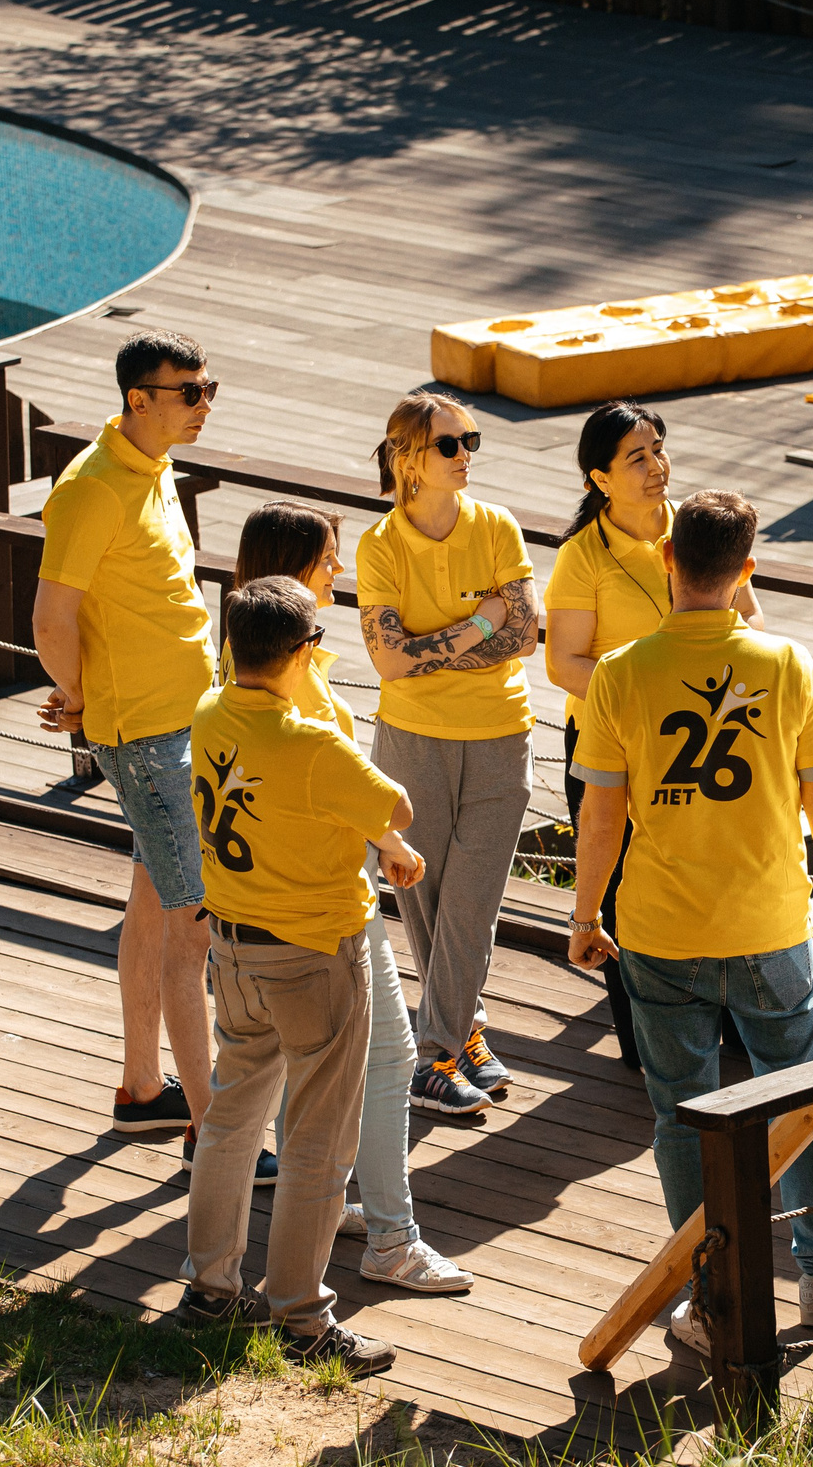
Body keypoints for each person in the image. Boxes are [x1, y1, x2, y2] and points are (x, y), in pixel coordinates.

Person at [565, 489, 813, 1355]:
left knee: (681, 1114)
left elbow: (602, 816)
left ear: (666, 559)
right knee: (803, 1094)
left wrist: (586, 911)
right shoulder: (785, 663)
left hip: (661, 929)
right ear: (748, 571)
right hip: (768, 920)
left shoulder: (621, 672)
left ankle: (713, 1297)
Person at [229, 502, 475, 1294]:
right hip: (323, 908)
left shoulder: (246, 668)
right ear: (298, 569)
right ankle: (392, 1240)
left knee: (294, 1080)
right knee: (390, 1058)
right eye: (330, 559)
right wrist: (393, 831)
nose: (342, 571)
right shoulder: (296, 686)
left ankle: (325, 1212)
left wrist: (387, 847)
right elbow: (346, 787)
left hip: (266, 908)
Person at [177, 575, 420, 1373]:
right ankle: (302, 1318)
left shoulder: (212, 714)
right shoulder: (312, 743)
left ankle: (209, 1289)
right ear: (307, 651)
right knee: (318, 1140)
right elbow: (397, 806)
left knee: (234, 1119)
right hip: (314, 955)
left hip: (236, 951)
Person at [36, 328, 251, 1176]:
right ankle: (211, 1126)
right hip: (150, 737)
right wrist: (86, 700)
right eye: (190, 391)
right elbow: (51, 620)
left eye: (209, 387)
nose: (205, 404)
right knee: (195, 925)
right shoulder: (91, 491)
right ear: (140, 399)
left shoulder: (151, 471)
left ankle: (141, 1089)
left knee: (154, 906)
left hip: (180, 724)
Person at [543, 402, 763, 1073]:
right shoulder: (584, 556)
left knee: (705, 884)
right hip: (614, 750)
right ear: (598, 478)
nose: (656, 466)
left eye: (659, 450)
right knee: (621, 898)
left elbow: (749, 617)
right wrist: (648, 695)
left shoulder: (695, 529)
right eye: (636, 457)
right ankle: (644, 1042)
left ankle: (720, 1032)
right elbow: (563, 663)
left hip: (703, 748)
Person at [355, 393, 542, 1119]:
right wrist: (480, 619)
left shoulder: (496, 525)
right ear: (407, 457)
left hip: (502, 734)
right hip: (412, 741)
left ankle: (429, 1056)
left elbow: (523, 636)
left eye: (472, 439)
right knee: (427, 899)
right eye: (449, 444)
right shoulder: (380, 545)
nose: (466, 453)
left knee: (471, 901)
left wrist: (439, 643)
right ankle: (462, 1032)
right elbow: (390, 663)